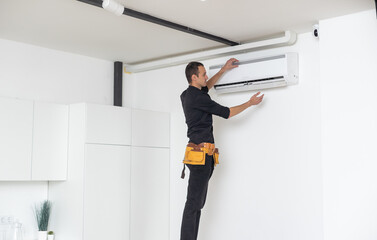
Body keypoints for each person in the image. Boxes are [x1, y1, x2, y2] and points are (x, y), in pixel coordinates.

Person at [180, 58, 264, 240]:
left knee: (196, 204)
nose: (206, 76)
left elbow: (206, 87)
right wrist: (249, 103)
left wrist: (223, 70)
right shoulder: (199, 98)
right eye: (203, 74)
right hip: (201, 157)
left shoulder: (187, 95)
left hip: (199, 156)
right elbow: (227, 113)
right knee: (194, 204)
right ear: (194, 77)